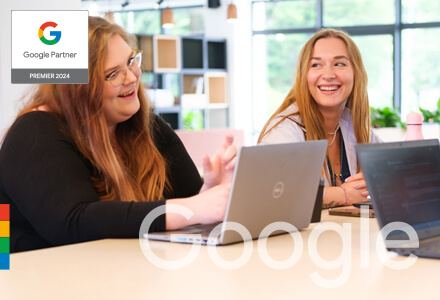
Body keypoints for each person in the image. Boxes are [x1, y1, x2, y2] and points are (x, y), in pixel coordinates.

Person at [0, 16, 236, 253]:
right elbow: (74, 223)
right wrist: (191, 208)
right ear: (77, 88)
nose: (132, 78)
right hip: (28, 280)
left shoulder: (148, 127)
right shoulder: (34, 133)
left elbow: (186, 207)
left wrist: (208, 192)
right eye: (113, 74)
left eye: (131, 61)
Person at [258, 28, 381, 208]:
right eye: (316, 65)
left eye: (339, 64)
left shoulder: (353, 126)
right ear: (304, 75)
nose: (329, 75)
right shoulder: (285, 130)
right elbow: (273, 194)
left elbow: (392, 173)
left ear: (356, 73)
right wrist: (345, 194)